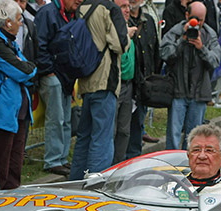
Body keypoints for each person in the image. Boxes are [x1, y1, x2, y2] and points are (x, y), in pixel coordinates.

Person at [68, 0, 129, 180]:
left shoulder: (82, 8)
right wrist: (128, 35)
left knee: (84, 137)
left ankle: (76, 182)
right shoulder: (110, 9)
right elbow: (119, 44)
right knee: (102, 138)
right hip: (105, 79)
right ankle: (96, 184)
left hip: (86, 79)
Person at [0, 0, 36, 189]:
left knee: (15, 162)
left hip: (19, 111)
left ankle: (13, 200)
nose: (21, 23)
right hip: (3, 113)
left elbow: (29, 70)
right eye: (19, 19)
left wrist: (26, 70)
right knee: (0, 164)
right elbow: (24, 71)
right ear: (8, 23)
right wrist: (25, 71)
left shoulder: (11, 43)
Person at [161, 1, 221, 150]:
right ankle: (172, 165)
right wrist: (182, 41)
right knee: (174, 134)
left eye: (201, 20)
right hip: (178, 91)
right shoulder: (176, 31)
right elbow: (164, 54)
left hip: (199, 93)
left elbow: (215, 61)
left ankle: (189, 166)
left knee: (194, 136)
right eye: (195, 19)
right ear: (187, 15)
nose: (198, 23)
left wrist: (202, 49)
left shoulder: (209, 34)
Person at [34, 0, 82, 177]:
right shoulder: (48, 13)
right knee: (56, 118)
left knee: (66, 118)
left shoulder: (72, 14)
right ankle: (53, 160)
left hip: (66, 75)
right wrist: (48, 71)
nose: (79, 1)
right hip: (52, 74)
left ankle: (62, 158)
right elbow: (39, 44)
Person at [125, 0, 160, 158]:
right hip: (127, 84)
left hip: (144, 85)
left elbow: (155, 52)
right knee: (123, 129)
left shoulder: (149, 21)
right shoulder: (122, 20)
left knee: (138, 127)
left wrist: (153, 80)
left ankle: (134, 163)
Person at [112, 0, 136, 164]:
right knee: (111, 130)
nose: (127, 10)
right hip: (115, 85)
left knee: (124, 131)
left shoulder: (133, 26)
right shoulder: (112, 28)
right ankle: (107, 167)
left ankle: (119, 165)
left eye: (128, 6)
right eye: (123, 7)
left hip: (130, 85)